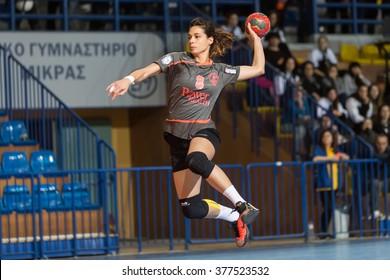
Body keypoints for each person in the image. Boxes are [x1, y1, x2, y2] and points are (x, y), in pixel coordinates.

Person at [106, 18, 264, 247]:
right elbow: (146, 71)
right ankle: (233, 216)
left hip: (203, 130)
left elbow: (258, 68)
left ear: (210, 40)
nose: (192, 40)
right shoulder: (177, 60)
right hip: (176, 136)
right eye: (190, 36)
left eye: (197, 36)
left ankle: (243, 204)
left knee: (196, 159)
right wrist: (128, 79)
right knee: (192, 208)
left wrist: (256, 40)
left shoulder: (221, 71)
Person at [312, 129, 350, 238]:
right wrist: (330, 158)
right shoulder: (318, 149)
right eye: (324, 136)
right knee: (328, 207)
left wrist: (343, 157)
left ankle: (325, 232)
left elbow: (344, 157)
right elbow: (315, 159)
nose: (326, 138)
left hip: (335, 183)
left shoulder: (335, 150)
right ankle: (323, 231)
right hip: (324, 184)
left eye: (328, 136)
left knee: (331, 207)